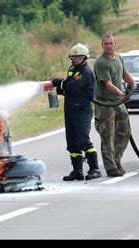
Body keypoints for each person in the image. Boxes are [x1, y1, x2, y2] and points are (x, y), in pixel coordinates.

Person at [51, 43, 101, 181]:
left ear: (84, 58)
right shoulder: (73, 69)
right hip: (71, 110)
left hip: (81, 111)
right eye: (73, 58)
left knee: (83, 141)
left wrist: (59, 83)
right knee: (72, 143)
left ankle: (94, 169)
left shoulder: (85, 72)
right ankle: (77, 170)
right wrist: (60, 87)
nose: (74, 60)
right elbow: (67, 87)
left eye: (77, 58)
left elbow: (72, 86)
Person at [93, 33, 136, 177]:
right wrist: (121, 94)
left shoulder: (118, 58)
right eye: (106, 44)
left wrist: (132, 82)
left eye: (111, 43)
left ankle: (117, 160)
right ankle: (110, 167)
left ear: (115, 43)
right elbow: (107, 84)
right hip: (105, 102)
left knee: (124, 131)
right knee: (107, 134)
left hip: (118, 102)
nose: (108, 46)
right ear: (102, 45)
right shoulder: (101, 63)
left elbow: (124, 74)